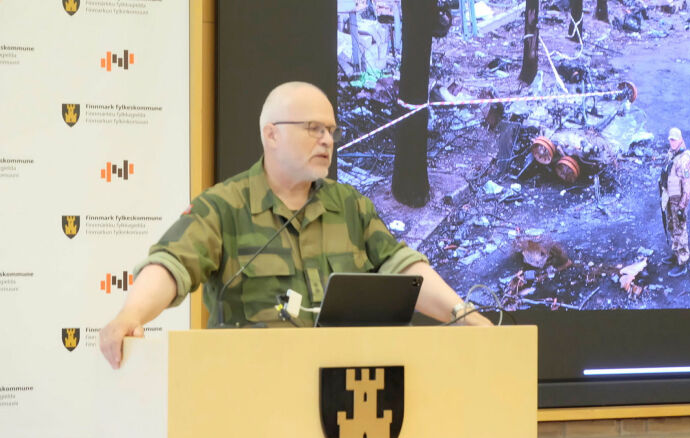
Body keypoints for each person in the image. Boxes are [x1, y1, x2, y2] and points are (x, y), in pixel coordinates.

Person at [99, 81, 491, 368]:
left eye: (331, 131)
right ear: (272, 134)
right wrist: (129, 316)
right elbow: (172, 264)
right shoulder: (224, 206)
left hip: (342, 401)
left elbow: (405, 268)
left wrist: (466, 317)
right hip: (251, 397)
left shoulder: (350, 206)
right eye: (313, 129)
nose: (327, 140)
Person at [658, 127, 690, 277]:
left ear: (680, 140)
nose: (672, 142)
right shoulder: (672, 154)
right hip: (669, 198)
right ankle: (675, 253)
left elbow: (687, 186)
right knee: (672, 227)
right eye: (670, 140)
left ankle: (683, 261)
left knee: (680, 229)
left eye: (674, 140)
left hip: (678, 201)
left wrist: (682, 206)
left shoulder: (684, 159)